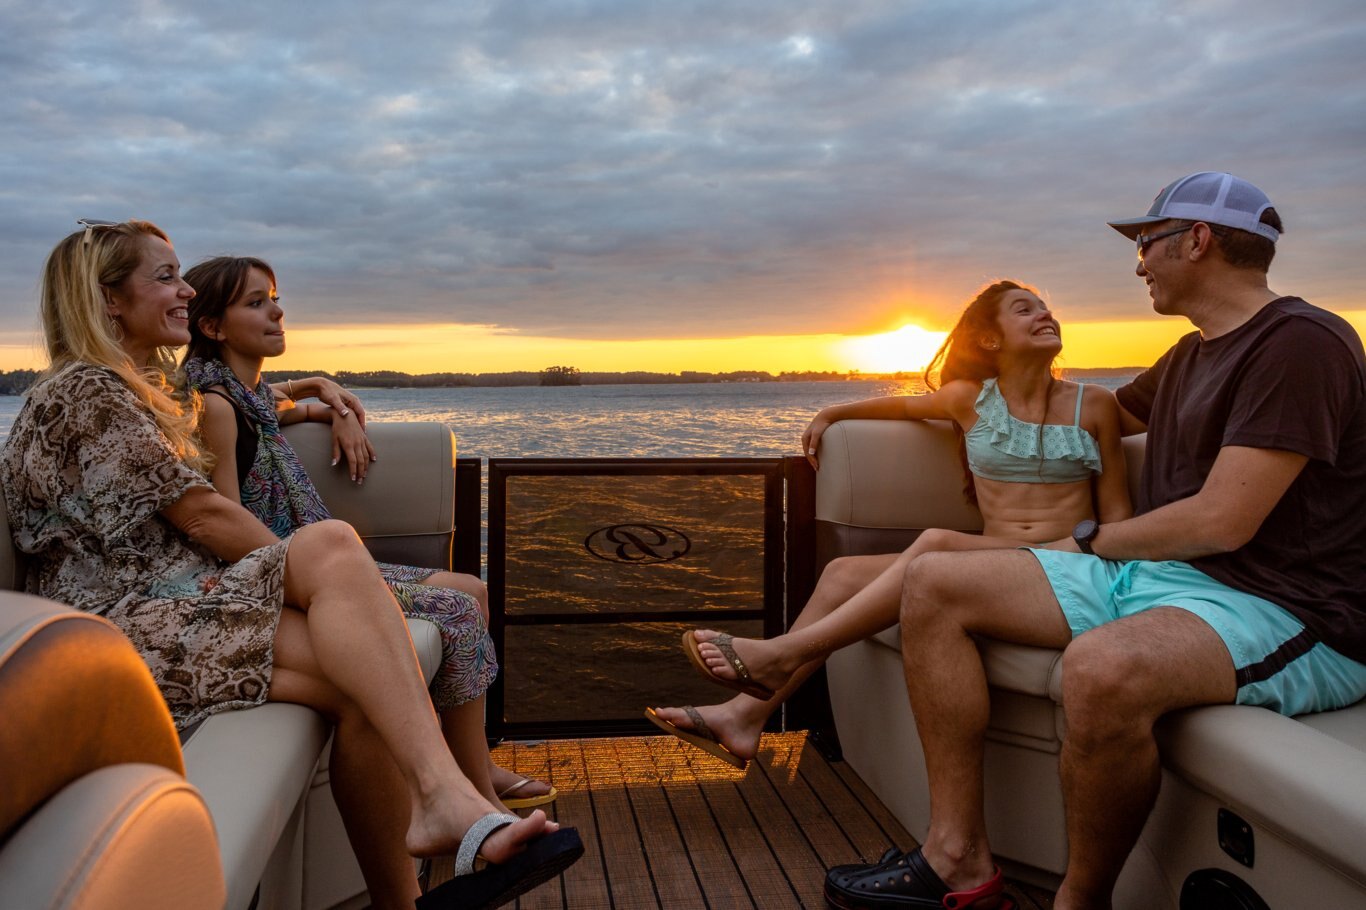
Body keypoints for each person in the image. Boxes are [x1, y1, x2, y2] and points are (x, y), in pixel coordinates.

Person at [822, 172, 1366, 910]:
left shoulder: (1300, 344)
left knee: (1102, 669)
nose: (1139, 264)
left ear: (1196, 241)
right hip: (1178, 578)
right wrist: (946, 404)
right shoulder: (1191, 355)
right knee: (935, 580)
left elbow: (1221, 521)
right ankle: (956, 857)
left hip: (1290, 607)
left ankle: (1080, 901)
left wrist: (1088, 536)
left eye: (1146, 243)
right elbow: (1089, 416)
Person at [1, 220, 582, 910]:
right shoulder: (85, 392)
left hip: (179, 602)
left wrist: (321, 394)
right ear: (107, 300)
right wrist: (314, 578)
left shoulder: (140, 387)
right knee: (331, 547)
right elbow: (203, 516)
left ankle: (418, 863)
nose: (185, 290)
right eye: (165, 277)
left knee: (361, 684)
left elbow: (251, 399)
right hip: (112, 626)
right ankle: (447, 798)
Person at [647, 280, 1132, 770]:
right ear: (990, 339)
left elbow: (1116, 515)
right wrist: (832, 412)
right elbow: (901, 406)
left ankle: (781, 654)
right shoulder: (968, 399)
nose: (1044, 314)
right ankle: (744, 717)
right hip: (996, 560)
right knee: (841, 574)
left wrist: (1109, 559)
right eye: (1025, 310)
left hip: (1068, 560)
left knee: (937, 541)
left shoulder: (1093, 403)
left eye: (1046, 308)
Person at [177, 254, 555, 811]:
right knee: (457, 607)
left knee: (473, 590)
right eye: (256, 303)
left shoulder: (244, 395)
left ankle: (475, 764)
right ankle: (474, 789)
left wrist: (331, 405)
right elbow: (225, 521)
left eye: (275, 299)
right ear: (212, 326)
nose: (277, 312)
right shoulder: (216, 404)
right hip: (284, 575)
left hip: (313, 561)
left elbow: (279, 405)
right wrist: (319, 398)